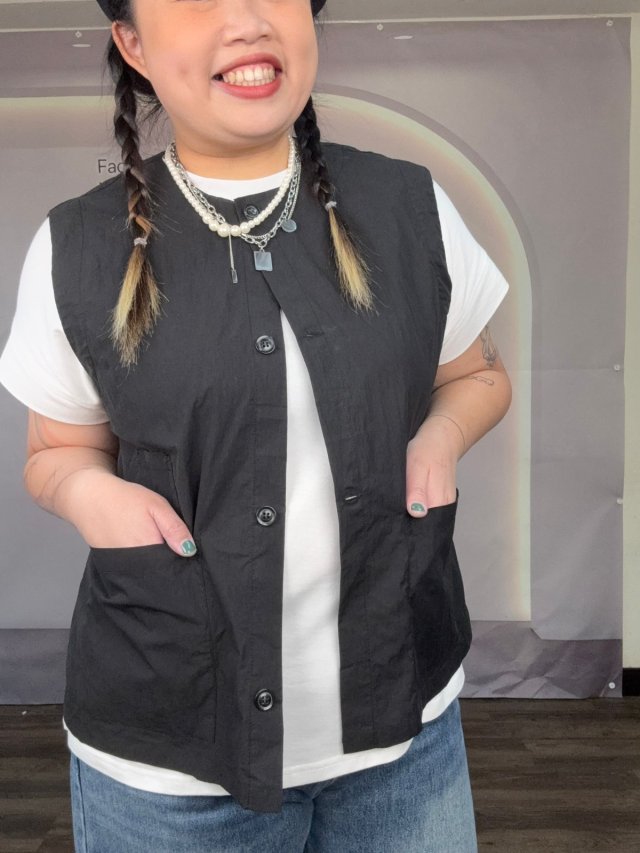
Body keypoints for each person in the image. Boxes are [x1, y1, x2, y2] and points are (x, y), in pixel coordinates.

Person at [0, 0, 512, 850]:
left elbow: (479, 375)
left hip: (402, 741)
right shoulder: (77, 244)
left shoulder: (408, 204)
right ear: (132, 43)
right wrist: (95, 497)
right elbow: (55, 451)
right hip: (169, 763)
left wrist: (441, 437)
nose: (246, 18)